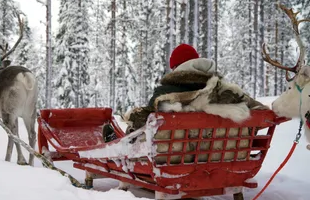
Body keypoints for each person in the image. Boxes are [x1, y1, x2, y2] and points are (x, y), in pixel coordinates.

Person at [103, 44, 268, 141]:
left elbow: (145, 123)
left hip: (172, 158)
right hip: (221, 155)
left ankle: (115, 143)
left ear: (175, 68)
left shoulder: (165, 95)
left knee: (138, 122)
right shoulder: (225, 91)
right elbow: (262, 114)